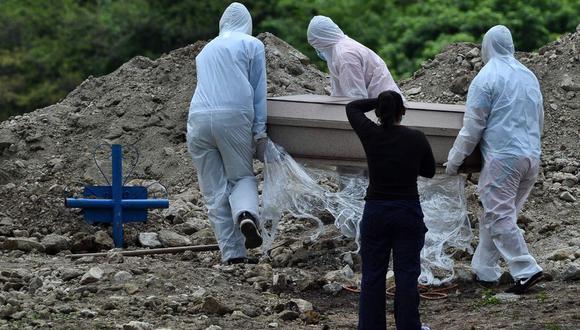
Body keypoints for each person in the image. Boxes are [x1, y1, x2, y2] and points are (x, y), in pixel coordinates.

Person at [446, 25, 544, 294]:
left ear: (486, 46)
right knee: (499, 215)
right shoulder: (528, 75)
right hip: (531, 157)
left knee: (499, 216)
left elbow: (473, 127)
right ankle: (485, 270)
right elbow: (540, 117)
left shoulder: (486, 78)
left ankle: (526, 269)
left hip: (504, 159)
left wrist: (454, 160)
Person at [186, 2, 268, 264]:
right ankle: (246, 214)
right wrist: (260, 132)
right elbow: (258, 93)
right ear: (247, 24)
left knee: (213, 189)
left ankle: (232, 255)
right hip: (233, 116)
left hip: (197, 118)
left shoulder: (205, 51)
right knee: (241, 175)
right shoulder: (252, 45)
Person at [346, 91, 435, 330]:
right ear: (402, 112)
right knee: (406, 275)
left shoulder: (371, 134)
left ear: (378, 112)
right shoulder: (417, 138)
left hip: (376, 211)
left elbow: (352, 108)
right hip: (407, 211)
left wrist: (380, 102)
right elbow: (429, 171)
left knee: (372, 275)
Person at [307, 15, 404, 99]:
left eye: (317, 46)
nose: (318, 51)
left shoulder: (345, 56)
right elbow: (339, 93)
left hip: (387, 111)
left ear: (322, 41)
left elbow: (356, 97)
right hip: (381, 106)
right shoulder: (338, 51)